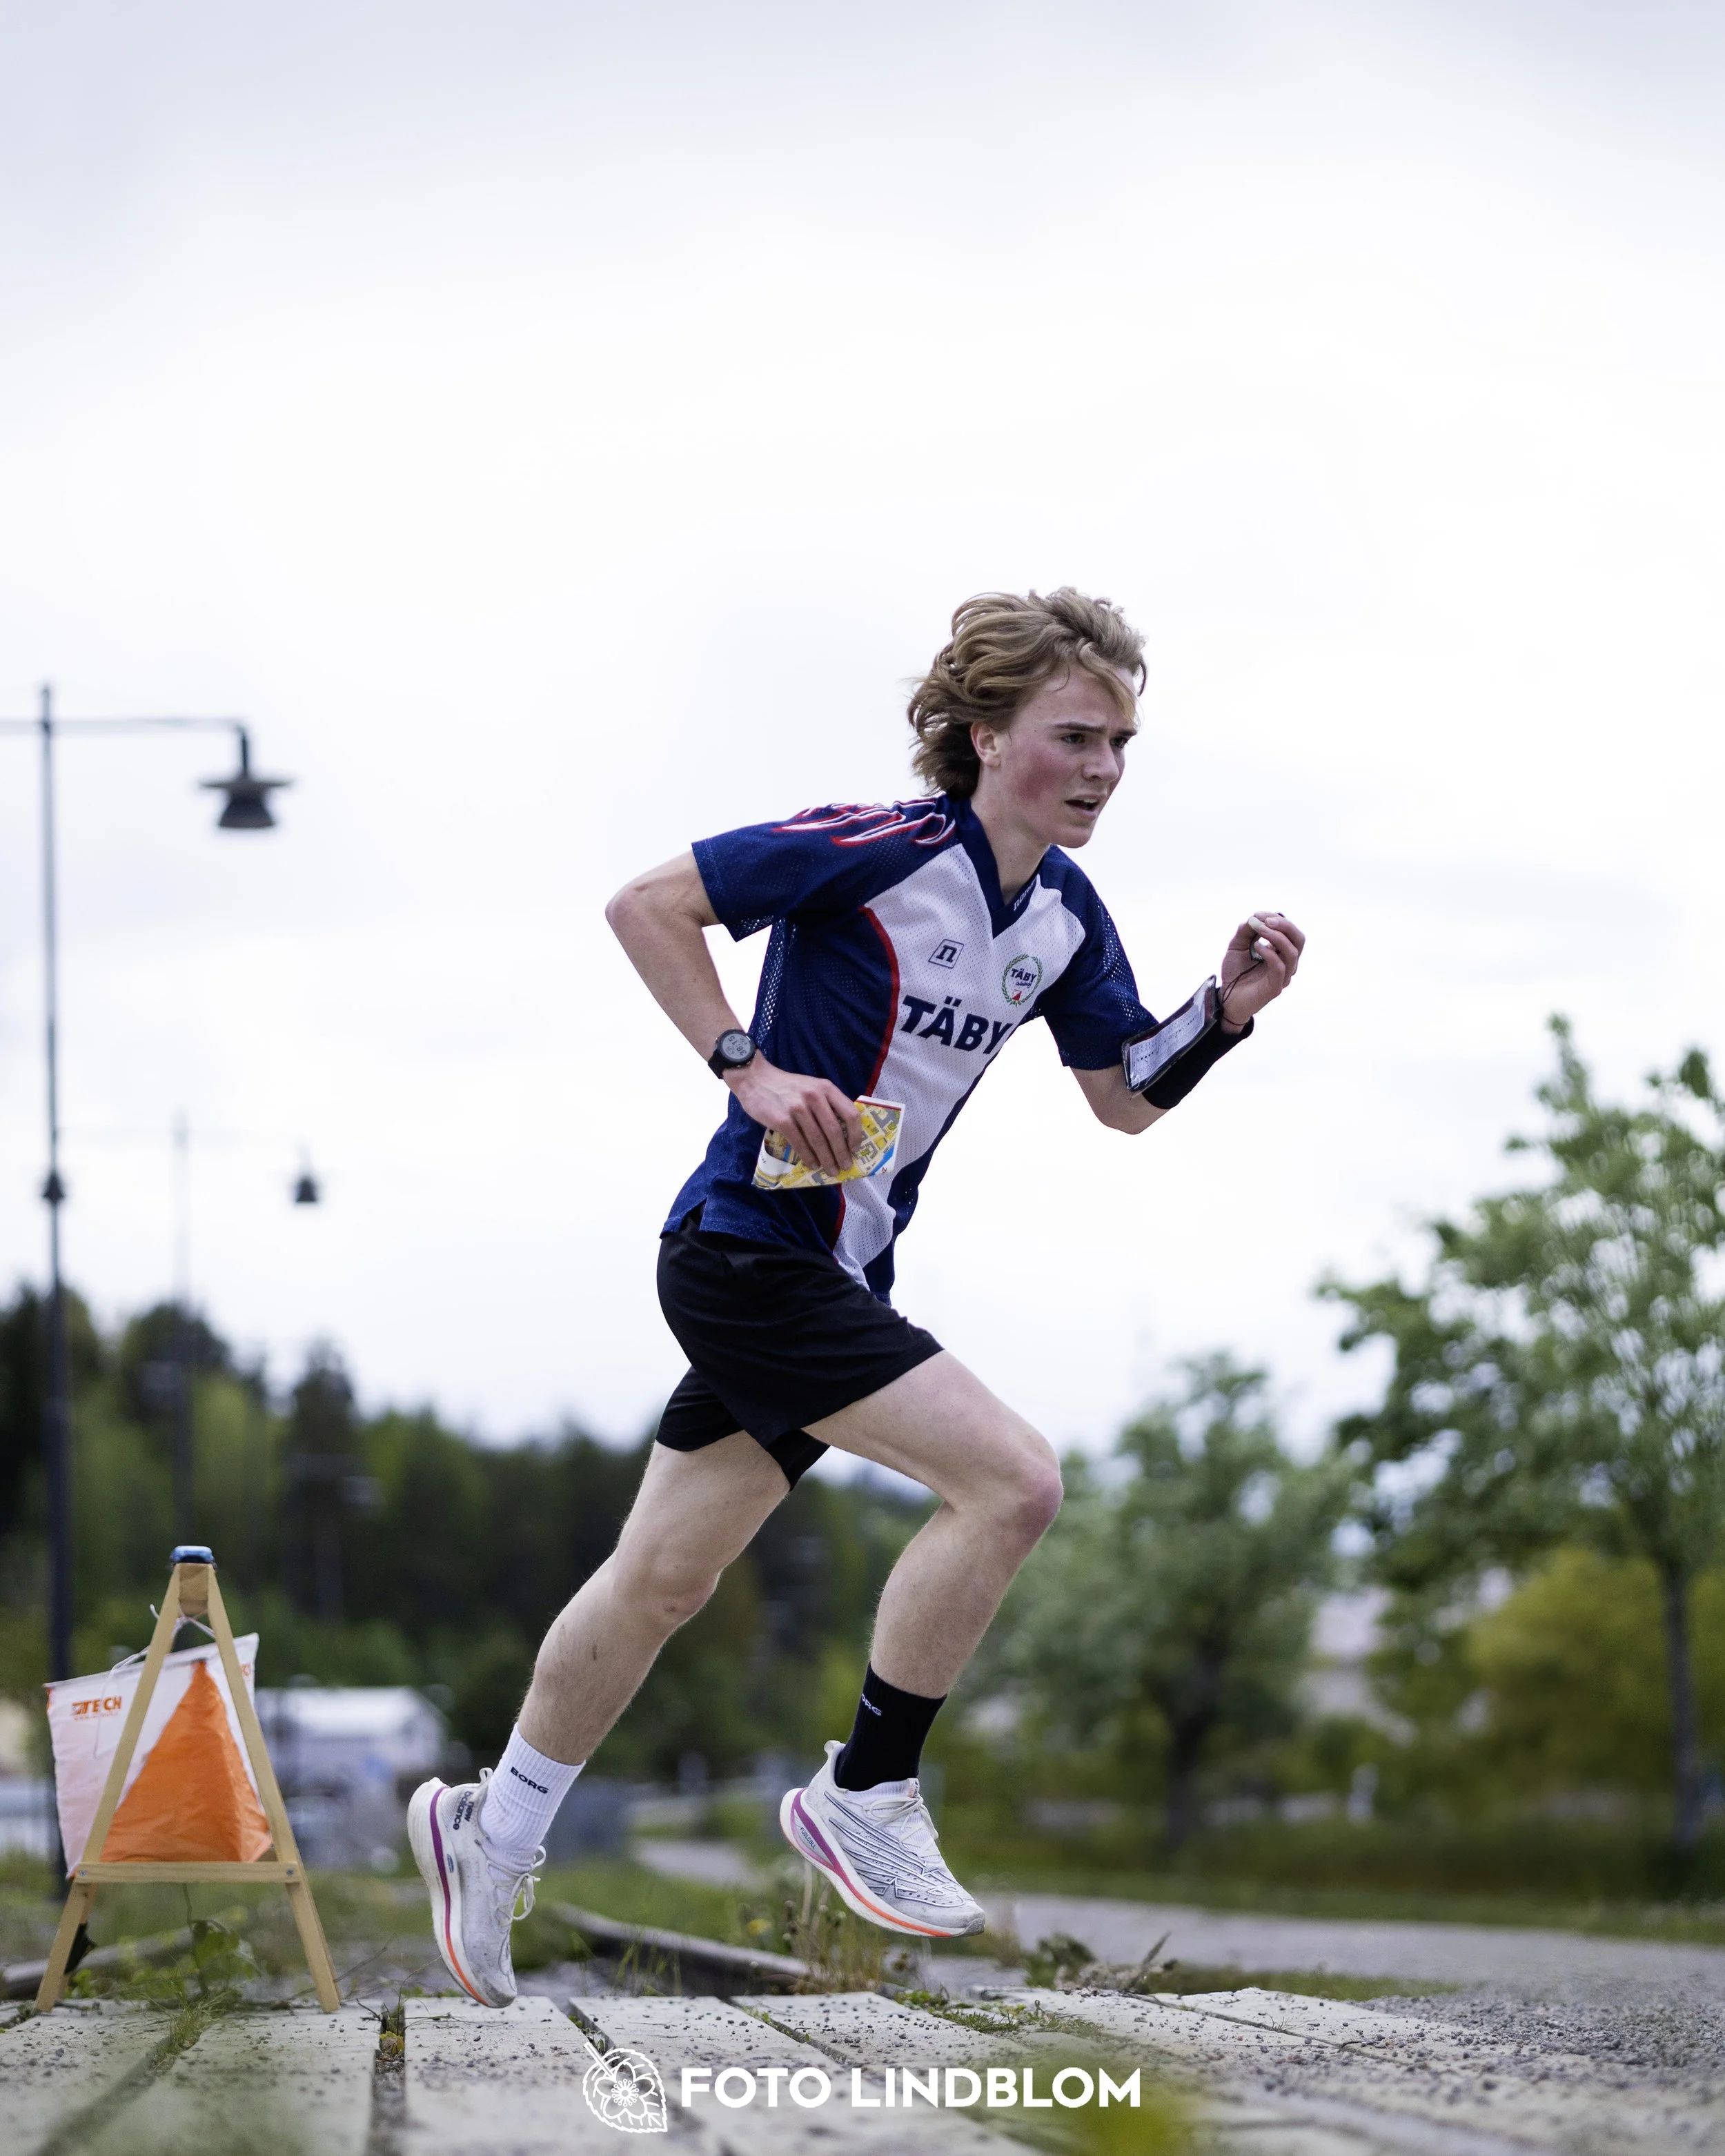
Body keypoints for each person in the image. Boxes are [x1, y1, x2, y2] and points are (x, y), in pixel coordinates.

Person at [408, 588, 1304, 2005]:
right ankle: (867, 1789)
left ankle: (490, 1825)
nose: (1103, 770)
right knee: (1012, 1481)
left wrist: (1224, 1011)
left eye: (1121, 745)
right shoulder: (876, 846)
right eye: (1075, 737)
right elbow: (647, 905)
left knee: (662, 1579)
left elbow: (1124, 1094)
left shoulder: (1063, 916)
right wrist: (746, 1065)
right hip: (746, 1251)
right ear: (984, 734)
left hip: (827, 1272)